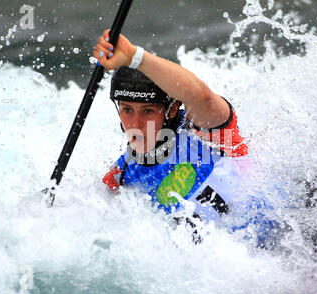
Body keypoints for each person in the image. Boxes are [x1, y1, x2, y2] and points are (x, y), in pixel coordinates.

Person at [93, 29, 284, 247]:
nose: (135, 124)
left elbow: (201, 96)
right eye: (127, 110)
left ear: (172, 110)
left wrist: (135, 57)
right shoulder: (123, 173)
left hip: (304, 240)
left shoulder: (208, 133)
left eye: (148, 111)